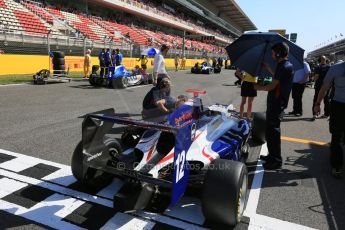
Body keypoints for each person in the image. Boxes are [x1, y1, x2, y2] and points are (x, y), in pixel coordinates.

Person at [255, 42, 294, 170]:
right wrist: (268, 68)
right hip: (275, 101)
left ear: (278, 53)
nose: (272, 55)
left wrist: (258, 88)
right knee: (270, 131)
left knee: (273, 132)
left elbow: (273, 85)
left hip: (277, 102)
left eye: (273, 53)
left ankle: (276, 160)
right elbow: (278, 77)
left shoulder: (284, 66)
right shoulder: (283, 65)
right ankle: (272, 156)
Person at [314, 61, 345, 178]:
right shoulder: (335, 68)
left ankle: (337, 167)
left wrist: (317, 103)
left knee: (336, 137)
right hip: (338, 106)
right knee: (337, 137)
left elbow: (324, 88)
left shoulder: (335, 68)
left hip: (339, 107)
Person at [312, 55, 330, 120]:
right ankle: (326, 114)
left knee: (316, 99)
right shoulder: (329, 67)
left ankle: (315, 114)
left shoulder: (318, 67)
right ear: (326, 60)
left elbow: (316, 77)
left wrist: (313, 79)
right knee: (326, 99)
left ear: (320, 60)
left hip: (319, 85)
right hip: (327, 85)